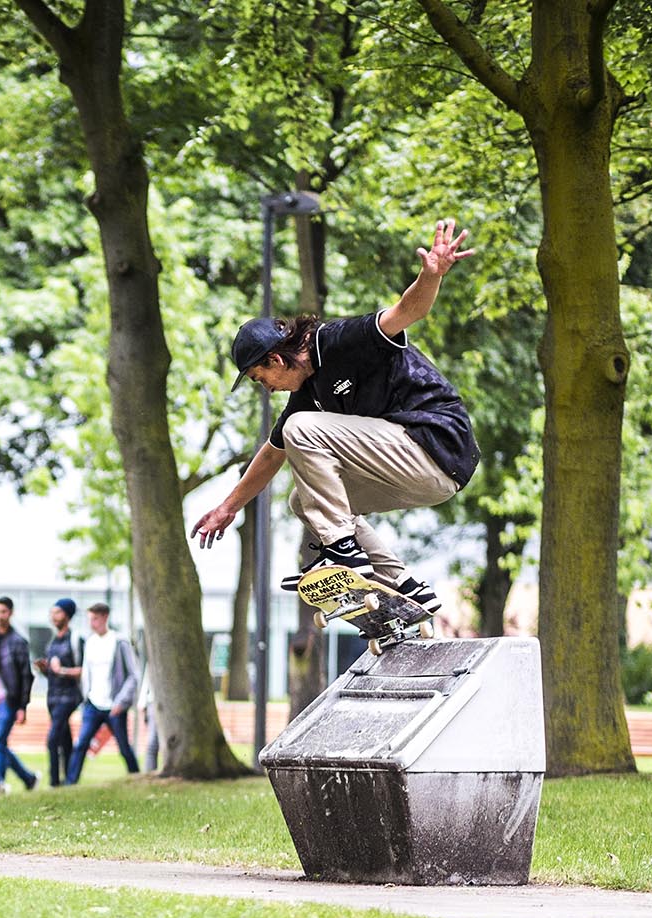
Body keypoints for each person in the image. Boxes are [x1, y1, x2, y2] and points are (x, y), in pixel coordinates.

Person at [190, 220, 482, 619]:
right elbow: (272, 457)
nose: (268, 389)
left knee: (301, 431)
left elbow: (406, 311)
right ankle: (401, 585)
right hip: (421, 472)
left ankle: (343, 550)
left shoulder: (339, 340)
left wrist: (431, 276)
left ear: (276, 359)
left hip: (436, 444)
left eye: (262, 379)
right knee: (303, 499)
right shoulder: (307, 394)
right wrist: (228, 507)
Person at [68, 602, 141, 784]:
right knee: (81, 744)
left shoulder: (119, 642)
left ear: (105, 617)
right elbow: (86, 672)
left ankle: (136, 777)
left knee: (124, 747)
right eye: (89, 619)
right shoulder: (90, 642)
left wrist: (121, 701)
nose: (92, 623)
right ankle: (70, 782)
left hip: (114, 705)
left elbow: (134, 675)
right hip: (93, 704)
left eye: (95, 619)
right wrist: (86, 697)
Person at [0, 597, 38, 790]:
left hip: (8, 700)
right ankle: (28, 778)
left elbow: (26, 676)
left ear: (11, 613)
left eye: (3, 612)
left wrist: (22, 707)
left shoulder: (18, 642)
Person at [38, 599, 84, 787]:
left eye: (57, 612)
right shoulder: (52, 642)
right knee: (64, 738)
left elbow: (83, 669)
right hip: (53, 696)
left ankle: (54, 782)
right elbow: (52, 672)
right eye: (52, 612)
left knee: (52, 739)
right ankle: (70, 779)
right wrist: (44, 669)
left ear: (67, 615)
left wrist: (62, 670)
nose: (53, 616)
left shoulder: (75, 640)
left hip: (69, 696)